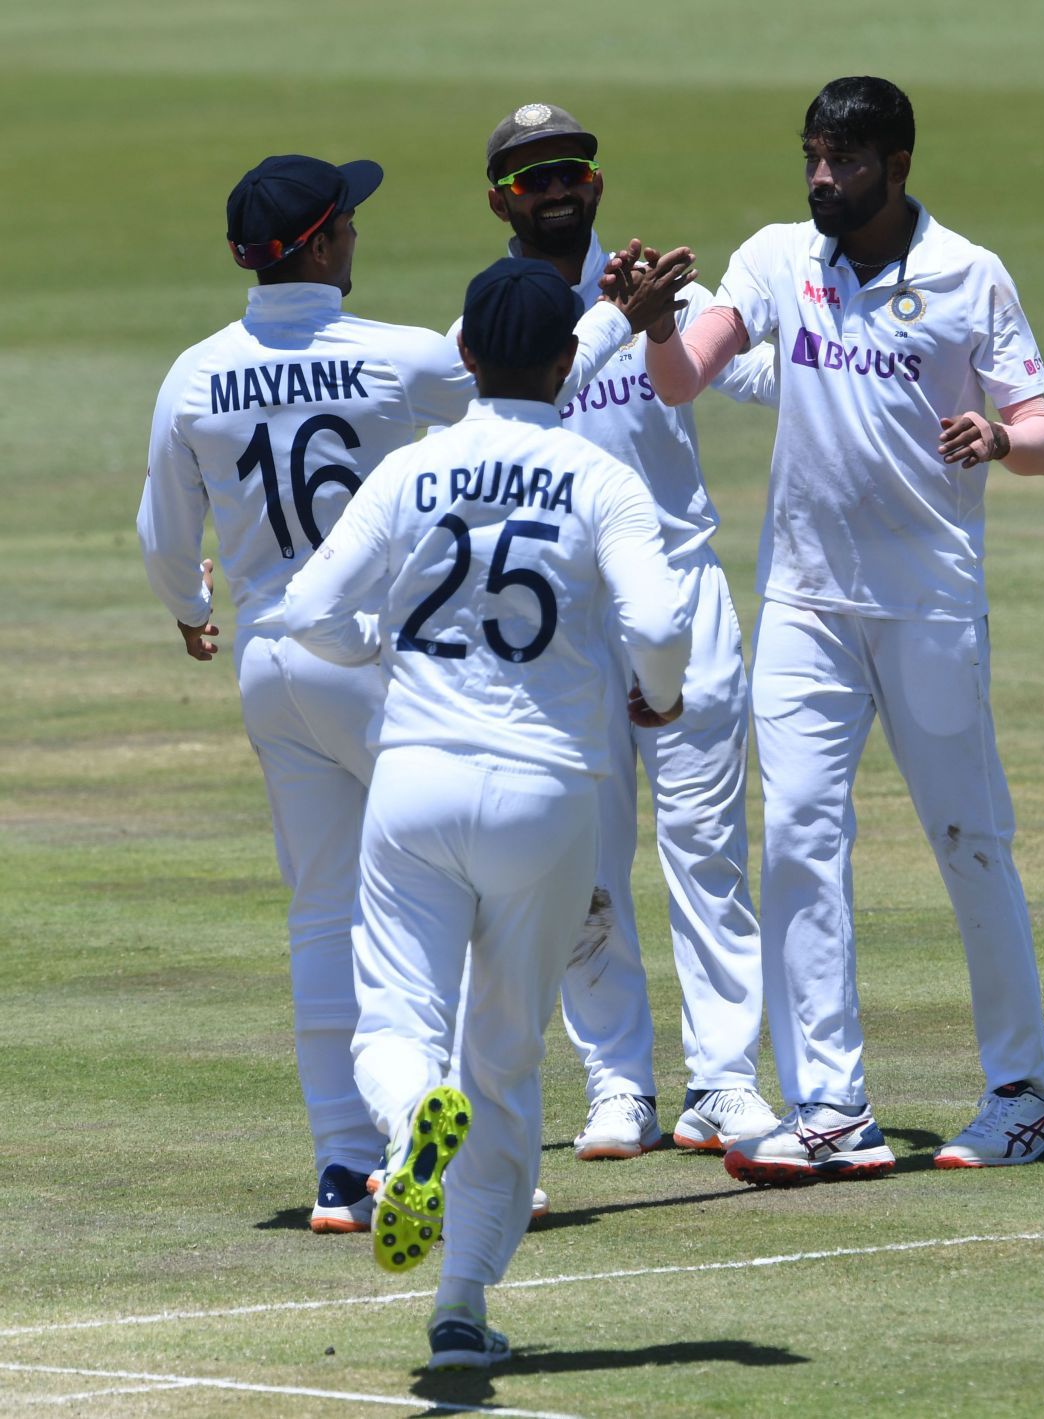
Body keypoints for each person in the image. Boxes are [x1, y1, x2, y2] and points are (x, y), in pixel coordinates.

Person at [137, 153, 655, 1233]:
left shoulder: (194, 373)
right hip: (371, 659)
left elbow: (161, 536)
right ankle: (457, 1147)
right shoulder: (393, 357)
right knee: (452, 902)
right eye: (350, 225)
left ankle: (342, 1168)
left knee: (324, 916)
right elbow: (522, 390)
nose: (358, 237)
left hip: (270, 664)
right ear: (321, 246)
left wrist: (190, 606)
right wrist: (612, 315)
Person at [641, 76, 1044, 1182]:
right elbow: (687, 376)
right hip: (803, 602)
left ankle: (1028, 1095)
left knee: (968, 842)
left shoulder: (967, 275)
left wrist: (1000, 437)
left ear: (898, 165)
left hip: (929, 601)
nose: (823, 178)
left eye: (843, 160)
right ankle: (833, 1108)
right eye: (812, 157)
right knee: (797, 839)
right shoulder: (779, 256)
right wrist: (656, 325)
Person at [282, 257, 692, 1370]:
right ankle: (460, 1304)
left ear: (464, 357)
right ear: (569, 360)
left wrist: (376, 648)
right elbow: (659, 622)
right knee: (505, 1057)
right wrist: (659, 691)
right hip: (549, 794)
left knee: (396, 1024)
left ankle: (413, 1118)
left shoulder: (416, 469)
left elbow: (307, 609)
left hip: (415, 778)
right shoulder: (597, 478)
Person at [473, 102, 782, 1162]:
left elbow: (768, 376)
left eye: (570, 166)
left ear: (596, 183)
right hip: (561, 614)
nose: (554, 184)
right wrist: (622, 315)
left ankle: (726, 1082)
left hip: (681, 590)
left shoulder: (666, 291)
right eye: (529, 174)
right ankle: (618, 1085)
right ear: (499, 198)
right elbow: (512, 419)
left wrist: (662, 322)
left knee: (705, 848)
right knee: (583, 861)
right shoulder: (496, 319)